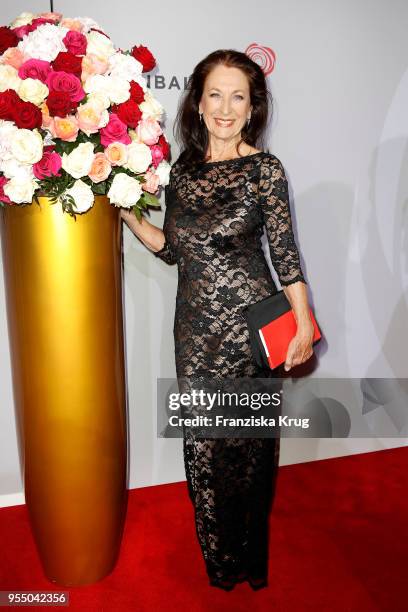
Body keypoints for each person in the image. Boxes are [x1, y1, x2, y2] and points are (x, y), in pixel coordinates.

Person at [121, 49, 315, 591]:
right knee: (204, 448)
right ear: (198, 103)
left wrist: (302, 321)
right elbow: (174, 249)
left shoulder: (264, 170)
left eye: (239, 97)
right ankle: (219, 561)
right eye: (215, 94)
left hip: (250, 331)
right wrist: (128, 214)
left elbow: (286, 254)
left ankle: (250, 559)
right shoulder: (182, 173)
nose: (226, 108)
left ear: (253, 108)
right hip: (195, 333)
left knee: (250, 451)